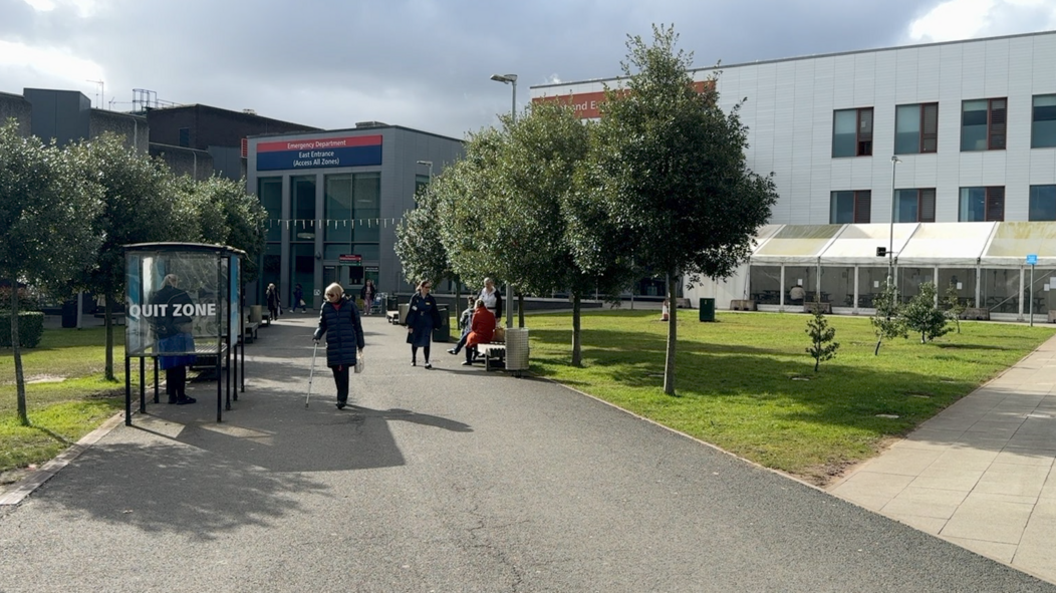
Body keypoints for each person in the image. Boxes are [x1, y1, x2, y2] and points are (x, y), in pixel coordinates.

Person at [313, 283, 365, 410]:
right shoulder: (325, 306)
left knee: (343, 371)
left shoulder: (350, 305)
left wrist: (360, 343)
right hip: (333, 342)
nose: (329, 297)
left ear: (338, 294)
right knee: (336, 371)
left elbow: (357, 325)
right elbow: (322, 324)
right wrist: (317, 335)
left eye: (331, 295)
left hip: (347, 342)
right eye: (327, 295)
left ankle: (341, 398)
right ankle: (341, 395)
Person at [152, 274, 196, 405]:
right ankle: (181, 396)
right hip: (178, 333)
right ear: (176, 282)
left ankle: (172, 395)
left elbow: (151, 314)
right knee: (180, 366)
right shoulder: (181, 294)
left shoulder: (156, 295)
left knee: (170, 366)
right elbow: (191, 310)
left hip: (164, 335)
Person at [406, 279, 442, 369]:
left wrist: (437, 324)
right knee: (415, 340)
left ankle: (427, 361)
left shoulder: (430, 298)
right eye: (426, 287)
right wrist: (410, 324)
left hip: (427, 321)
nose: (428, 289)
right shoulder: (415, 297)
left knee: (426, 341)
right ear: (421, 287)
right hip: (417, 321)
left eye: (429, 287)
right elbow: (411, 311)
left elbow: (435, 311)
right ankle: (413, 359)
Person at [462, 299, 496, 366]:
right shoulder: (491, 314)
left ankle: (468, 360)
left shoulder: (476, 314)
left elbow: (473, 328)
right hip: (488, 336)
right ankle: (474, 354)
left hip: (480, 336)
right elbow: (493, 326)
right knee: (471, 337)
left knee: (469, 340)